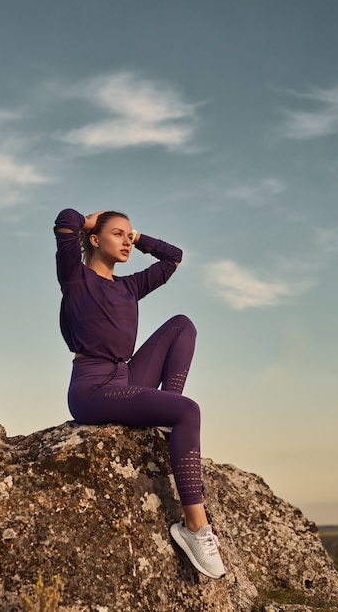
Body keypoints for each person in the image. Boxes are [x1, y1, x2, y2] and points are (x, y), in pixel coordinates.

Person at [54, 208, 225, 579]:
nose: (127, 242)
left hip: (126, 376)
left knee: (182, 325)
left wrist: (139, 236)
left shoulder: (129, 286)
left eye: (129, 236)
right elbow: (64, 221)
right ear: (96, 239)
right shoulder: (75, 277)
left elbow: (173, 257)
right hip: (92, 387)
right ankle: (195, 528)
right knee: (189, 412)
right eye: (118, 234)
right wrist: (87, 222)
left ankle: (165, 421)